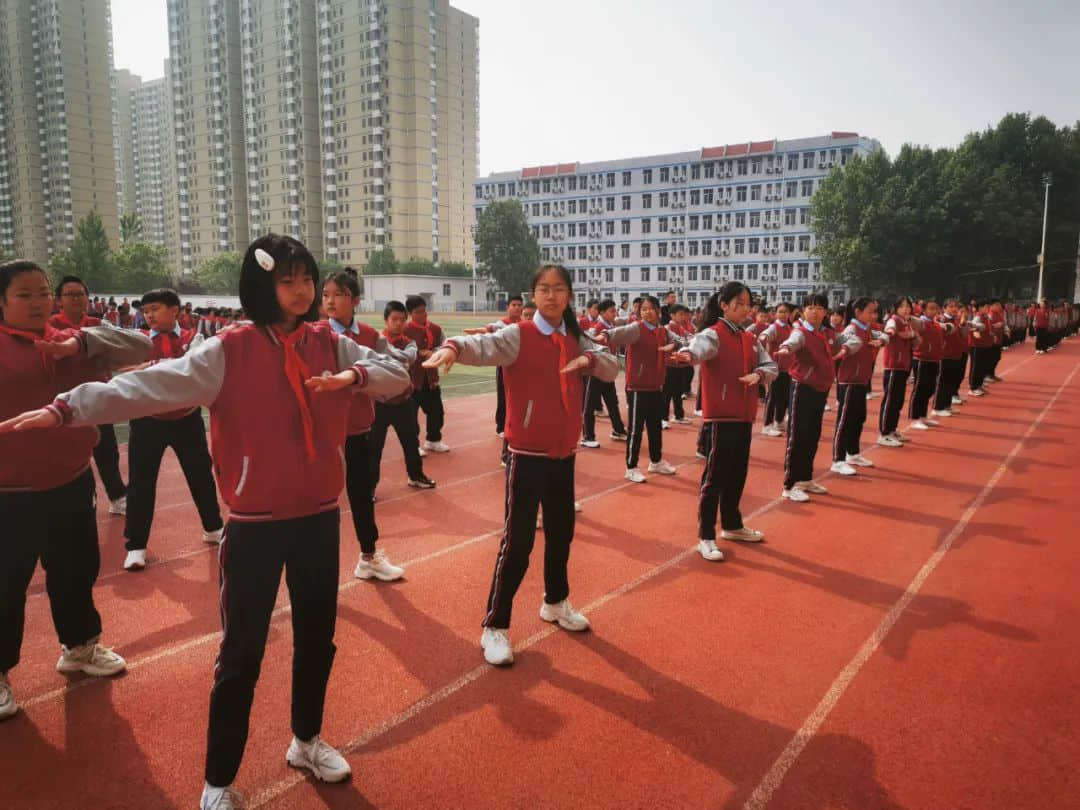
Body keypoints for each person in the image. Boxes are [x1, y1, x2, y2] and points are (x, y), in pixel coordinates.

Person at [0, 235, 411, 809]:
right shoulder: (230, 350)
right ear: (261, 284)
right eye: (287, 280)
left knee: (318, 638)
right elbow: (147, 385)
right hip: (254, 527)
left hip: (318, 518)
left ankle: (306, 739)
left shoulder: (329, 343)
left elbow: (397, 374)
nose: (300, 290)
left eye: (306, 279)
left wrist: (356, 379)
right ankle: (218, 780)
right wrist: (68, 407)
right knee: (242, 652)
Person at [422, 264, 617, 667]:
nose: (551, 296)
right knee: (519, 542)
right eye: (543, 289)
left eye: (559, 289)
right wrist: (453, 348)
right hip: (527, 455)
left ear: (569, 295)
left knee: (562, 533)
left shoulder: (576, 337)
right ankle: (495, 624)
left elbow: (611, 365)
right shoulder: (520, 336)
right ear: (533, 294)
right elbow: (483, 345)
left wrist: (592, 364)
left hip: (564, 453)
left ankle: (555, 601)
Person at [0, 259, 152, 722]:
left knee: (75, 571)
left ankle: (80, 648)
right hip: (9, 493)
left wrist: (80, 342)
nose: (38, 302)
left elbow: (141, 344)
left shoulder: (74, 339)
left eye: (43, 292)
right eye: (24, 295)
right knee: (6, 584)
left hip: (70, 481)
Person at [120, 288, 224, 572]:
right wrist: (158, 365)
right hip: (147, 420)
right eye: (146, 310)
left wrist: (154, 369)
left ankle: (213, 528)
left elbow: (196, 372)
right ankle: (136, 546)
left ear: (175, 310)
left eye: (155, 308)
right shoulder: (137, 340)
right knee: (141, 483)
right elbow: (123, 370)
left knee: (200, 474)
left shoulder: (196, 338)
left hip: (186, 418)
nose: (149, 314)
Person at [675, 282, 777, 561]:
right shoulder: (714, 334)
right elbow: (698, 348)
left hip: (744, 415)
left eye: (748, 304)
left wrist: (759, 375)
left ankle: (731, 525)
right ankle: (706, 535)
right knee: (715, 477)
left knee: (737, 473)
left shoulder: (748, 337)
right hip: (721, 416)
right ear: (724, 304)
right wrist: (687, 355)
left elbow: (770, 366)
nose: (744, 308)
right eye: (739, 303)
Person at [322, 270, 412, 581]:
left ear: (355, 300)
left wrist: (365, 383)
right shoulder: (316, 333)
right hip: (323, 433)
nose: (330, 301)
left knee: (362, 495)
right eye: (326, 295)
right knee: (320, 502)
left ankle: (368, 556)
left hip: (359, 428)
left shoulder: (371, 336)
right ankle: (315, 570)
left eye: (338, 294)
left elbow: (394, 373)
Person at [48, 275, 128, 515]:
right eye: (70, 294)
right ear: (59, 300)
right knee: (67, 453)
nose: (76, 298)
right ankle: (74, 497)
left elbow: (116, 353)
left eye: (81, 294)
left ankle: (117, 497)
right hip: (65, 401)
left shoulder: (98, 324)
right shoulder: (50, 326)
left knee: (106, 451)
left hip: (97, 399)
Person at [774, 294, 861, 502]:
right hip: (802, 388)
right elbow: (793, 341)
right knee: (797, 436)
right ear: (803, 311)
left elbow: (853, 339)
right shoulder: (801, 332)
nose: (814, 311)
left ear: (825, 312)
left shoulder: (827, 333)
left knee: (813, 435)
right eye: (810, 307)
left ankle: (805, 478)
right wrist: (786, 347)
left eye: (819, 308)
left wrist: (845, 349)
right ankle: (789, 484)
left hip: (820, 389)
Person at [593, 295, 680, 483]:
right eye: (643, 309)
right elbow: (618, 332)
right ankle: (631, 467)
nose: (647, 312)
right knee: (636, 429)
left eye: (650, 309)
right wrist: (605, 336)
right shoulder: (637, 329)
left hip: (656, 386)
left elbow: (681, 341)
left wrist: (673, 345)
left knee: (655, 426)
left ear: (658, 311)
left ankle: (656, 462)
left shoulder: (662, 332)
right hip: (638, 387)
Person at [370, 300, 436, 491]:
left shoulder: (409, 343)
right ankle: (370, 486)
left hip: (403, 401)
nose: (398, 323)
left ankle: (416, 476)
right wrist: (388, 358)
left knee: (411, 442)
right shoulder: (376, 340)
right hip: (378, 402)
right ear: (385, 320)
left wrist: (382, 357)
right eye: (394, 319)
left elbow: (409, 358)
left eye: (402, 320)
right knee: (374, 448)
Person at [831, 298, 887, 476]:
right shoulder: (851, 329)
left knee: (858, 418)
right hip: (849, 381)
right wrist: (847, 348)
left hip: (861, 379)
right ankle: (838, 459)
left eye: (875, 312)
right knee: (844, 420)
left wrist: (881, 341)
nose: (874, 315)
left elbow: (884, 335)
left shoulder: (868, 329)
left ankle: (853, 453)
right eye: (870, 311)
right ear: (857, 312)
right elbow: (846, 344)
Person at [463, 295, 524, 437]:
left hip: (521, 366)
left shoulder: (524, 323)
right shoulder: (502, 324)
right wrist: (475, 332)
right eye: (513, 305)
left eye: (519, 305)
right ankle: (501, 427)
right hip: (504, 365)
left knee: (520, 396)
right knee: (503, 395)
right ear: (508, 307)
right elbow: (487, 330)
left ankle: (517, 424)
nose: (516, 308)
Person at [403, 295, 449, 453]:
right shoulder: (404, 330)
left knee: (437, 411)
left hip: (431, 378)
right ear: (410, 313)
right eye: (418, 312)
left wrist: (434, 352)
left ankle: (433, 440)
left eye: (424, 310)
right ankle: (413, 445)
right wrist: (417, 352)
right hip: (411, 380)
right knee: (410, 415)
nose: (423, 314)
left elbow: (445, 345)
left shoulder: (435, 329)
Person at [581, 299, 628, 447]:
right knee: (589, 405)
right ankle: (588, 436)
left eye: (615, 311)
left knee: (612, 402)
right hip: (595, 371)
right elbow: (587, 345)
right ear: (602, 313)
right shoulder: (597, 328)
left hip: (607, 370)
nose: (615, 314)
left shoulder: (611, 326)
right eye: (612, 311)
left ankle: (618, 430)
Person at [877, 297, 920, 446]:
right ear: (896, 308)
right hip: (894, 366)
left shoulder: (907, 323)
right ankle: (884, 433)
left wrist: (913, 335)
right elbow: (890, 329)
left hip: (904, 365)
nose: (906, 309)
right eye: (902, 307)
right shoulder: (893, 320)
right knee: (890, 399)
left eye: (908, 306)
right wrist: (890, 332)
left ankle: (892, 429)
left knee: (898, 400)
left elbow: (915, 341)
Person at [908, 300, 952, 431]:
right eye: (931, 309)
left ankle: (922, 415)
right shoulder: (922, 322)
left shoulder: (935, 323)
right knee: (920, 389)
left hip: (934, 359)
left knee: (929, 388)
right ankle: (915, 418)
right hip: (922, 359)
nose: (934, 311)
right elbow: (913, 321)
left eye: (936, 309)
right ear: (924, 310)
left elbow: (947, 329)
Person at [758, 302, 794, 437]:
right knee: (772, 397)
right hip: (776, 368)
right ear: (775, 313)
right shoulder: (774, 327)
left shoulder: (790, 328)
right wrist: (763, 337)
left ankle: (779, 421)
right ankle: (767, 425)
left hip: (787, 369)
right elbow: (765, 335)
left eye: (786, 312)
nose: (783, 314)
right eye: (781, 312)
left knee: (784, 397)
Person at [967, 301, 994, 396]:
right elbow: (972, 326)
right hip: (976, 345)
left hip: (983, 345)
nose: (988, 309)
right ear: (980, 308)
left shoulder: (985, 317)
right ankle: (973, 387)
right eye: (985, 307)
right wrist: (975, 332)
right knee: (976, 367)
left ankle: (978, 385)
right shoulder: (977, 317)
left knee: (981, 366)